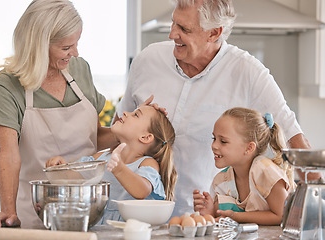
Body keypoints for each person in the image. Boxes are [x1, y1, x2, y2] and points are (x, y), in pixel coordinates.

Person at [113, 0, 320, 217]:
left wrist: (318, 205)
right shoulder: (148, 59)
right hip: (137, 215)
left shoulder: (248, 73)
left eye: (184, 29)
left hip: (205, 218)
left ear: (214, 33)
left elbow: (295, 140)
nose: (172, 34)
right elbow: (116, 132)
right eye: (173, 23)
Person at [0, 0, 120, 229]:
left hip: (89, 213)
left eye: (76, 43)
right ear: (38, 46)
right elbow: (9, 154)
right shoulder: (9, 83)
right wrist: (8, 212)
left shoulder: (80, 69)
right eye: (66, 47)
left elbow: (92, 137)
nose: (75, 53)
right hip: (35, 215)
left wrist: (135, 131)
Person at [46, 105, 177, 223]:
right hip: (99, 226)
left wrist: (119, 168)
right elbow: (74, 177)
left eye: (136, 114)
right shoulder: (102, 157)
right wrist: (59, 168)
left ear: (145, 137)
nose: (125, 113)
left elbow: (142, 190)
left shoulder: (147, 163)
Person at [193, 107, 296, 225]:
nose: (214, 146)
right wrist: (210, 212)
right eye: (214, 138)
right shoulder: (221, 180)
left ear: (249, 148)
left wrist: (235, 217)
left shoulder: (264, 170)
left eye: (223, 141)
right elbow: (223, 217)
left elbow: (283, 215)